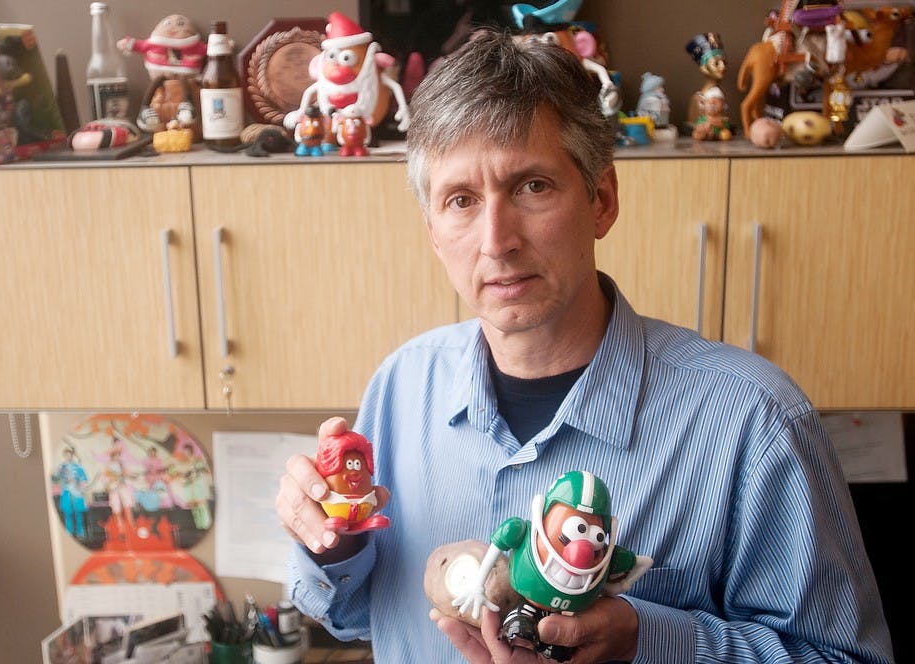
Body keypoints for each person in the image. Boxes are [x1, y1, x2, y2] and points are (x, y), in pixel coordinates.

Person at [275, 30, 894, 663]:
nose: (497, 240)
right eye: (461, 201)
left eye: (531, 187)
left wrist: (645, 637)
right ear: (433, 231)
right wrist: (336, 544)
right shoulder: (401, 387)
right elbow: (355, 617)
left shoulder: (754, 420)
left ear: (601, 200)